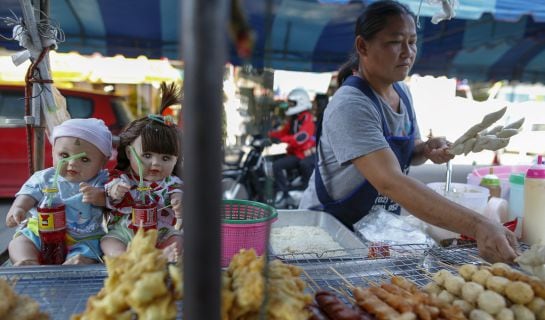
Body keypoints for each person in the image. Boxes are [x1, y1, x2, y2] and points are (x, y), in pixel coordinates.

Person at [298, 0, 518, 263]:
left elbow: (407, 152)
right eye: (395, 42)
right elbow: (390, 180)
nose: (407, 52)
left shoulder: (402, 92)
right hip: (326, 236)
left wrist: (424, 149)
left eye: (412, 42)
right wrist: (479, 225)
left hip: (371, 233)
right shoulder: (351, 105)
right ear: (362, 46)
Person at [6, 118, 112, 265]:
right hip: (42, 232)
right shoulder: (44, 177)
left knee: (88, 252)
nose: (72, 163)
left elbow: (114, 201)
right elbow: (28, 193)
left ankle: (77, 263)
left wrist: (101, 198)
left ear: (103, 162)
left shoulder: (101, 181)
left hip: (83, 238)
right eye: (64, 156)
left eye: (85, 159)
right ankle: (28, 262)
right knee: (20, 243)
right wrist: (19, 208)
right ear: (53, 152)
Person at [101, 83, 183, 262]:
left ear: (176, 160)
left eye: (166, 158)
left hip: (159, 234)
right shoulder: (122, 178)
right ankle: (127, 259)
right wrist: (115, 191)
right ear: (130, 153)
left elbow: (178, 193)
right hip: (124, 233)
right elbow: (109, 189)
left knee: (178, 240)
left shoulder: (171, 183)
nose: (156, 163)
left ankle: (161, 256)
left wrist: (179, 201)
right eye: (146, 155)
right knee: (108, 243)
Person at [269, 88, 316, 207]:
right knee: (271, 159)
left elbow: (300, 139)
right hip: (294, 153)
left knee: (277, 165)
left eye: (292, 103)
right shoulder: (295, 119)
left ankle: (285, 194)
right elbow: (283, 132)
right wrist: (268, 135)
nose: (289, 106)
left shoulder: (308, 120)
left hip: (301, 155)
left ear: (300, 102)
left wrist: (281, 140)